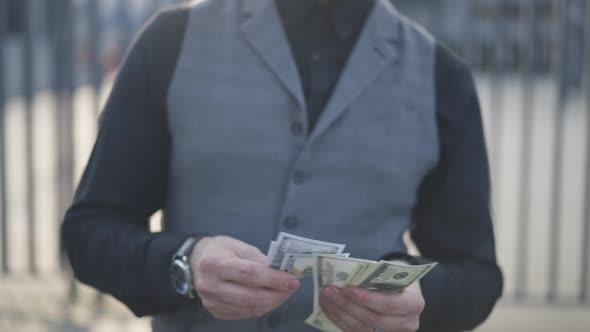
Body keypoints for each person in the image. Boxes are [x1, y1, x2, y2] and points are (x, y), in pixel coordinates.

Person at [62, 0, 503, 331]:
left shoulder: (442, 76)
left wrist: (423, 299)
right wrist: (183, 264)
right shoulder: (171, 42)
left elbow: (477, 274)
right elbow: (89, 232)